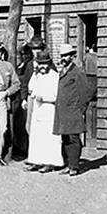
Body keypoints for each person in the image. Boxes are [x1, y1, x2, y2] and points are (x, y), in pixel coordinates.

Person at [54, 43, 96, 176]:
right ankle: (68, 164)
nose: (64, 58)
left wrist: (80, 110)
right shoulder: (63, 71)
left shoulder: (77, 72)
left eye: (66, 56)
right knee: (65, 138)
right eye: (62, 56)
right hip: (63, 111)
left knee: (73, 138)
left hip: (73, 111)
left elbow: (85, 93)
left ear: (72, 57)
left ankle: (74, 166)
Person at [24, 49, 62, 172]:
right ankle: (36, 161)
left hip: (49, 109)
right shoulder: (37, 75)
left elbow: (57, 96)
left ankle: (49, 163)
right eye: (40, 64)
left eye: (44, 64)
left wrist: (45, 98)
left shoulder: (54, 76)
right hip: (38, 109)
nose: (42, 66)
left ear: (49, 63)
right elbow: (31, 88)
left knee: (48, 137)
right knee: (36, 136)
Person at [10, 42, 34, 161]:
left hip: (23, 96)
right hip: (17, 97)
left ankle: (25, 149)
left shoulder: (30, 65)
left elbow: (26, 80)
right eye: (23, 54)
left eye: (27, 53)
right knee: (17, 123)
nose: (25, 56)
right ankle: (18, 147)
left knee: (25, 123)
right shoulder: (20, 64)